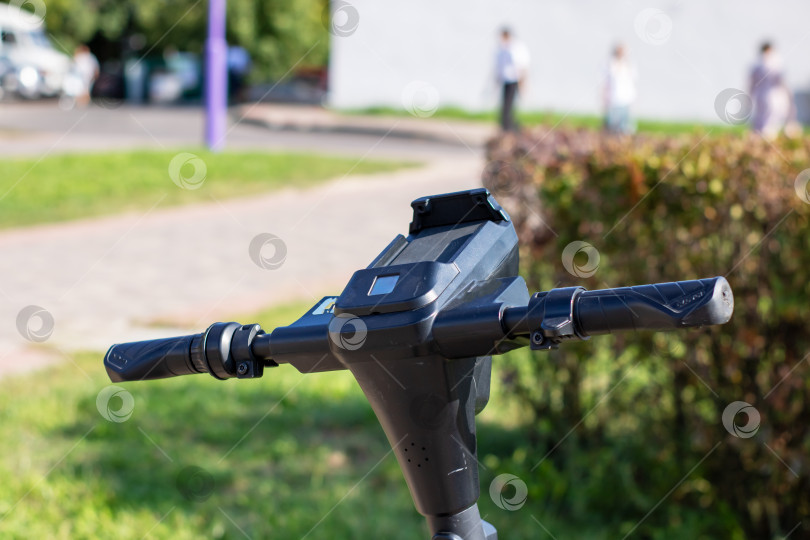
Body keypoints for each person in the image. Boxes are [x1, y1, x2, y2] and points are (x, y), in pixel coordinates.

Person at [749, 41, 799, 139]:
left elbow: (751, 84)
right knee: (771, 124)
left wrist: (750, 97)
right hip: (774, 97)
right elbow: (782, 82)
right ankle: (766, 144)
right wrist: (789, 96)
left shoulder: (756, 65)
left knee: (760, 121)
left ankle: (758, 143)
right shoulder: (775, 63)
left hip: (760, 96)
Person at [495, 28, 530, 132]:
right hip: (506, 79)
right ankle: (505, 125)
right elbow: (501, 65)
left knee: (511, 103)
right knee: (505, 103)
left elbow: (522, 64)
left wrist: (522, 81)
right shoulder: (503, 48)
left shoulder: (517, 47)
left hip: (514, 79)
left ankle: (511, 126)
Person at [602, 43, 637, 134]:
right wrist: (605, 98)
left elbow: (632, 81)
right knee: (612, 126)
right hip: (614, 100)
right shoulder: (610, 64)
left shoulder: (628, 65)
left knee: (626, 127)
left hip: (626, 100)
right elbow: (605, 82)